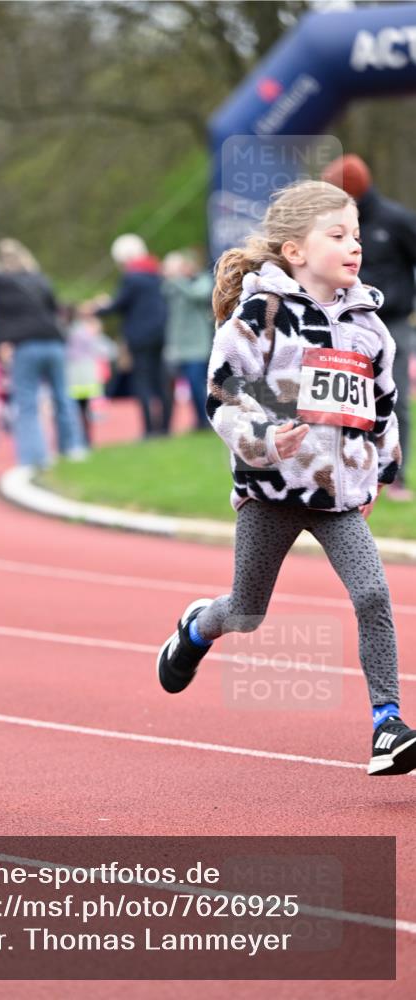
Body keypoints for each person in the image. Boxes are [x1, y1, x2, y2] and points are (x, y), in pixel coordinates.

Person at [156, 179, 415, 777]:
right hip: (271, 492)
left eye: (356, 235)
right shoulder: (260, 314)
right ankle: (196, 629)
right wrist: (265, 439)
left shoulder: (369, 326)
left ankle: (386, 725)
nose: (354, 246)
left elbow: (384, 404)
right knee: (247, 612)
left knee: (373, 595)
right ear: (295, 251)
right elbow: (222, 394)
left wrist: (382, 466)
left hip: (338, 498)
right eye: (338, 235)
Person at [322, 154, 416, 501]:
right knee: (344, 400)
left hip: (391, 323)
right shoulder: (332, 226)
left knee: (393, 400)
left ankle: (395, 477)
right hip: (346, 323)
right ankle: (345, 472)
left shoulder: (395, 220)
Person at [0, 221, 84, 470]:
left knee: (27, 403)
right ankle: (72, 447)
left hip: (26, 346)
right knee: (62, 396)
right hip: (53, 344)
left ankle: (34, 458)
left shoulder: (2, 281)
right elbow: (56, 310)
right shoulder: (40, 280)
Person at [90, 234, 170, 438]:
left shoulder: (131, 277)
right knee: (160, 379)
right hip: (160, 333)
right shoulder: (155, 273)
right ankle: (165, 427)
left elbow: (119, 305)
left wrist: (98, 308)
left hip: (139, 336)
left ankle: (149, 429)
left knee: (142, 381)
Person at [162, 249, 214, 431]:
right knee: (186, 388)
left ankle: (206, 420)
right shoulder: (171, 286)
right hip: (178, 347)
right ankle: (198, 421)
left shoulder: (201, 281)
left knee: (196, 383)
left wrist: (178, 279)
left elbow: (198, 295)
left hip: (198, 345)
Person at [64, 308, 112, 447]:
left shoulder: (65, 333)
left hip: (73, 376)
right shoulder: (85, 333)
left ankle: (77, 440)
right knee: (85, 410)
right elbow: (104, 350)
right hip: (85, 375)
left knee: (75, 411)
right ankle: (86, 439)